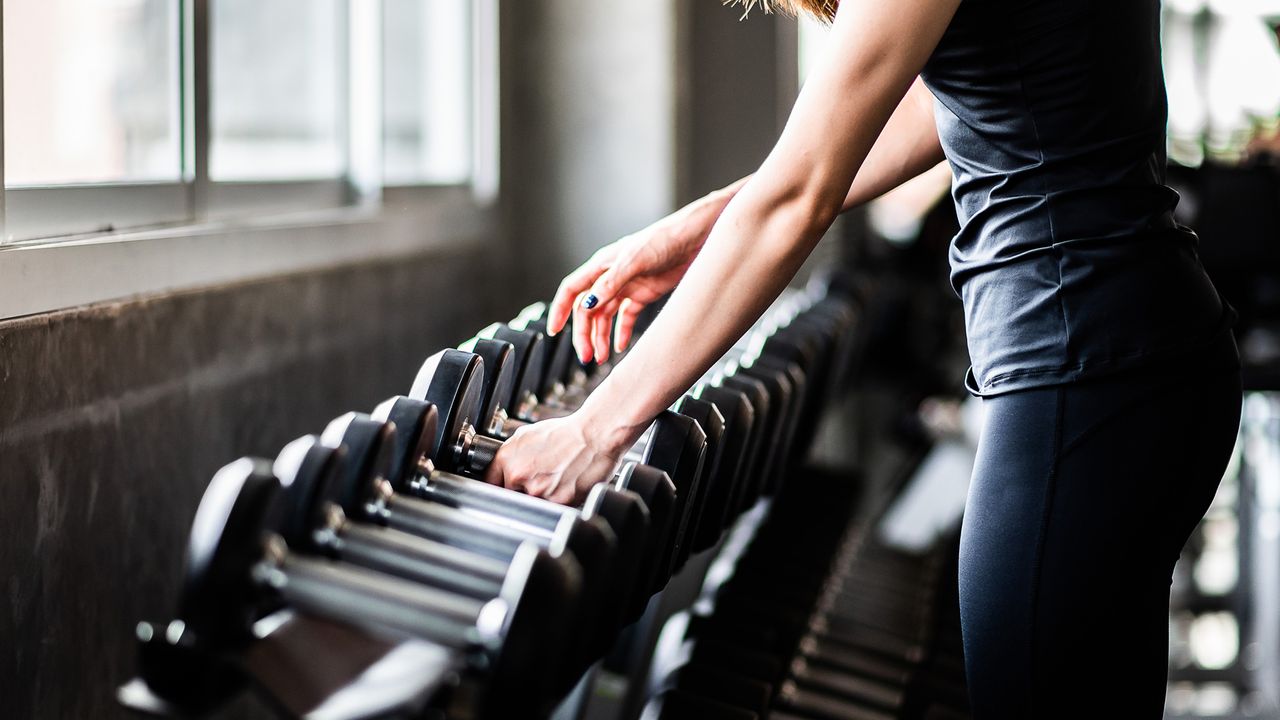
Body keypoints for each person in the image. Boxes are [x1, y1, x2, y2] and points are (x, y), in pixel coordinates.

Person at [484, 0, 1244, 716]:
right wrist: (711, 222)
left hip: (1081, 376)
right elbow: (942, 96)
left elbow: (797, 198)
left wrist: (596, 431)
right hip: (1141, 353)